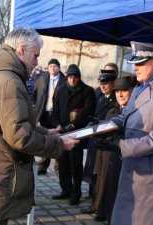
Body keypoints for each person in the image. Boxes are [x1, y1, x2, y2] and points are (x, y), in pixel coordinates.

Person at [0, 28, 79, 225]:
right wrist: (58, 145)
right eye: (35, 56)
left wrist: (45, 131)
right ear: (22, 49)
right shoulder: (9, 81)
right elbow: (19, 136)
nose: (36, 62)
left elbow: (1, 123)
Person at [96, 41, 153, 225]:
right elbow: (124, 117)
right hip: (134, 168)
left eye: (140, 63)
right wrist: (102, 127)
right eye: (135, 62)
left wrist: (120, 145)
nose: (135, 67)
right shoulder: (139, 88)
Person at [51, 64, 96, 205]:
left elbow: (88, 112)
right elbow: (55, 110)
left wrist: (73, 125)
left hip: (77, 134)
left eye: (75, 77)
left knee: (75, 165)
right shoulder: (61, 90)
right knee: (62, 163)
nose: (72, 80)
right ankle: (65, 190)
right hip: (62, 132)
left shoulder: (87, 91)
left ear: (79, 78)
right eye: (70, 77)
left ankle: (76, 193)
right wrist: (57, 125)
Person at [93, 75, 136, 223]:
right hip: (109, 165)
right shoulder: (112, 111)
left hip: (127, 165)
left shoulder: (137, 113)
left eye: (124, 90)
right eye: (117, 91)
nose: (120, 94)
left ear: (133, 91)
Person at [82, 69, 117, 213]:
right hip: (95, 139)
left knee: (102, 176)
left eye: (106, 83)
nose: (103, 86)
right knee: (94, 174)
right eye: (101, 83)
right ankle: (94, 203)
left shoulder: (115, 99)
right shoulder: (99, 96)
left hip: (105, 141)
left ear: (112, 84)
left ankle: (99, 206)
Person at [34, 58, 66, 175]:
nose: (53, 68)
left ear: (59, 67)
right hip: (45, 113)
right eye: (51, 66)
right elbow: (35, 93)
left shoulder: (64, 80)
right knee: (46, 139)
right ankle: (43, 165)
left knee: (59, 137)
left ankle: (58, 166)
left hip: (58, 115)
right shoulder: (42, 79)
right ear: (47, 68)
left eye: (55, 66)